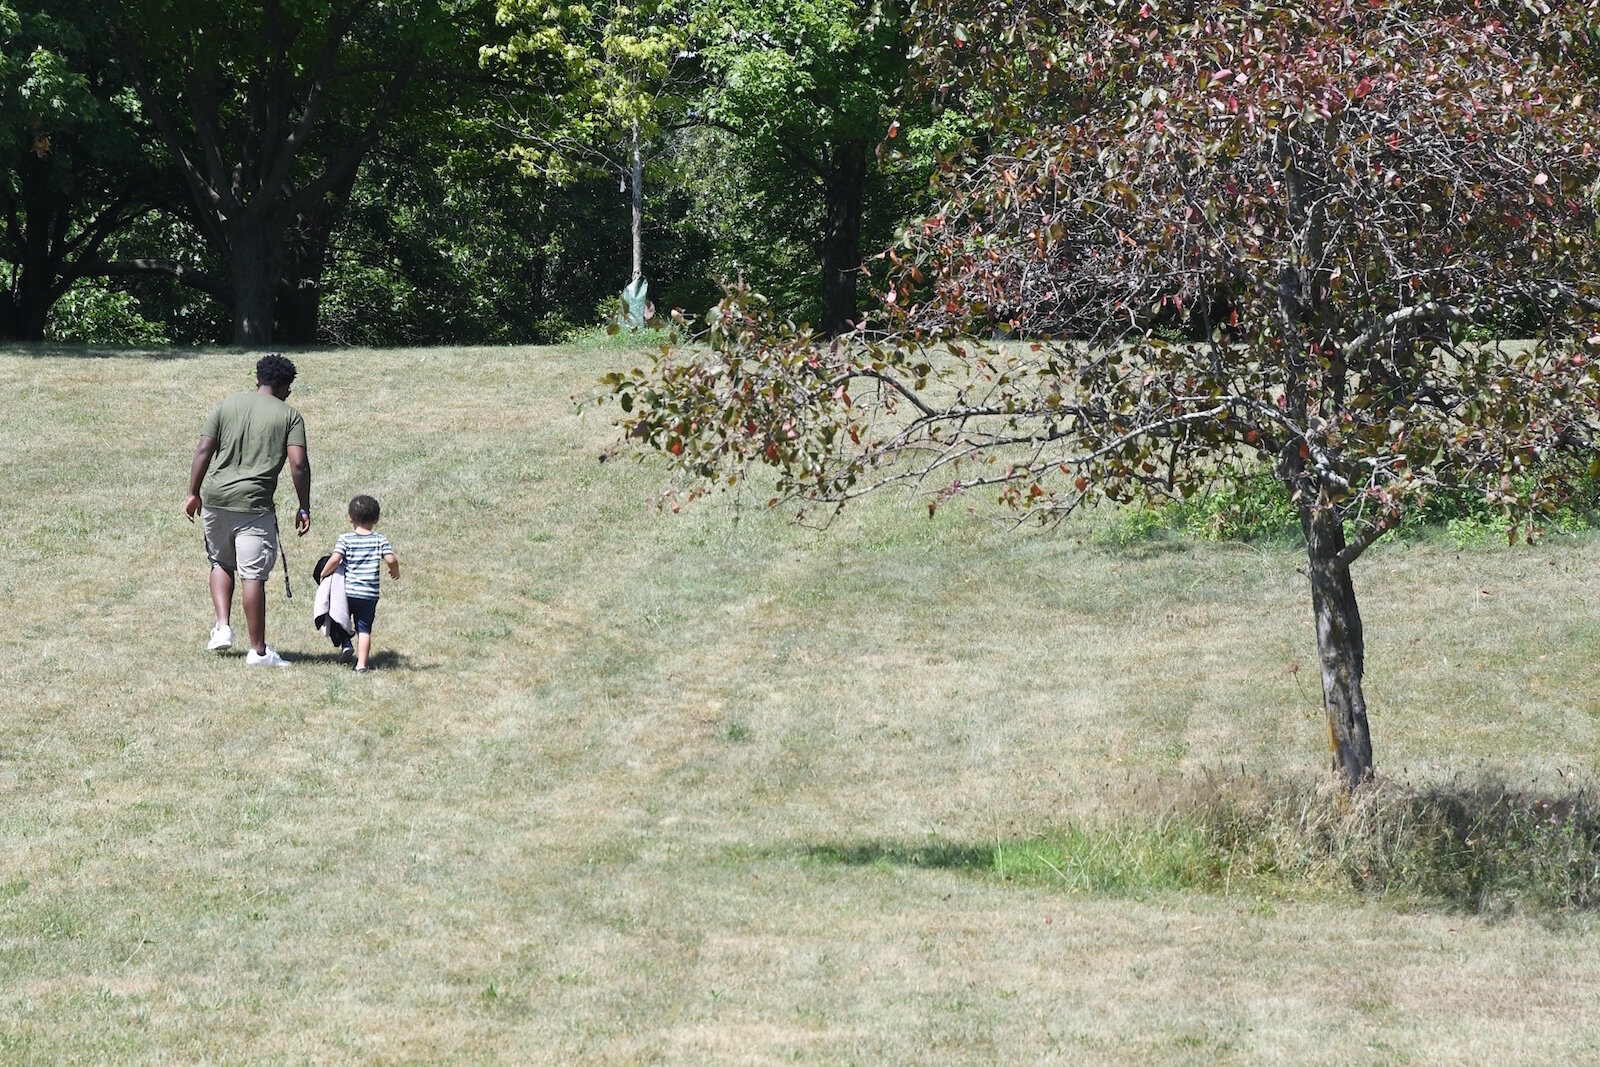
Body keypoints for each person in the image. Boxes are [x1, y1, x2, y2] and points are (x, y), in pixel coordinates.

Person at [185, 354, 311, 667]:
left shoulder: (226, 405)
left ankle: (222, 628)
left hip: (215, 498)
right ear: (285, 386)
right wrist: (304, 505)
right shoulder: (289, 416)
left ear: (257, 379)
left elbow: (203, 449)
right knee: (252, 576)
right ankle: (258, 652)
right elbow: (298, 463)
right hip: (253, 505)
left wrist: (193, 492)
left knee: (220, 562)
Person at [319, 494, 400, 673]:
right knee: (364, 629)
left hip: (347, 592)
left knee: (339, 619)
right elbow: (391, 559)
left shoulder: (345, 539)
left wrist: (324, 573)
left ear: (350, 517)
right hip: (369, 594)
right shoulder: (380, 540)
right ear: (377, 519)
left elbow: (335, 559)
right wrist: (395, 572)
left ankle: (346, 644)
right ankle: (362, 665)